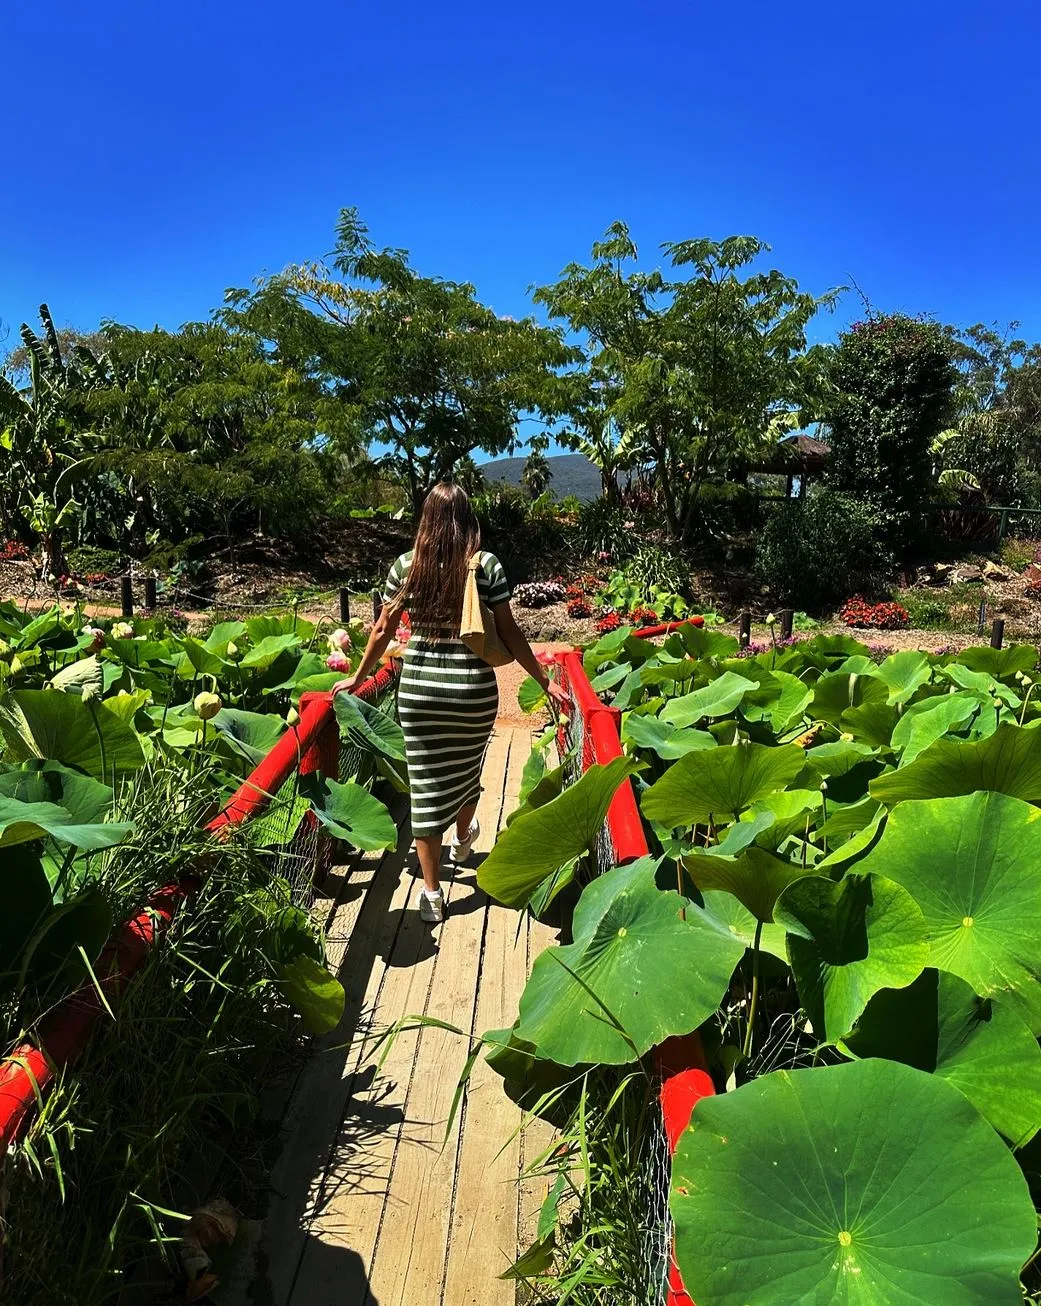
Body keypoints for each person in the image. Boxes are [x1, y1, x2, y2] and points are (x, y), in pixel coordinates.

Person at [332, 482, 568, 924]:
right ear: (466, 518)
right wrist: (545, 680)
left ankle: (432, 892)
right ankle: (462, 837)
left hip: (419, 691)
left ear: (426, 520)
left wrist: (357, 678)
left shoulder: (405, 567)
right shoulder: (486, 566)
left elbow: (383, 631)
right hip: (472, 692)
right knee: (466, 769)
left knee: (424, 787)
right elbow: (511, 633)